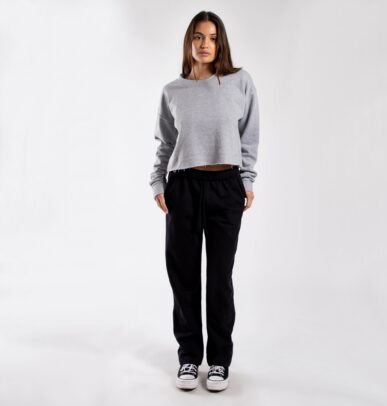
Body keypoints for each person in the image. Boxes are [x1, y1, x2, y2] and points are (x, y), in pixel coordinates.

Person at [149, 10, 259, 392]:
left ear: (221, 42)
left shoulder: (240, 83)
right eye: (198, 36)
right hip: (182, 186)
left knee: (219, 278)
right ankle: (189, 357)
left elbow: (249, 137)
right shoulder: (172, 91)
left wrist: (247, 180)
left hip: (226, 187)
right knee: (183, 276)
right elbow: (165, 143)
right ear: (189, 42)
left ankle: (219, 361)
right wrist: (157, 183)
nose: (204, 44)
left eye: (212, 37)